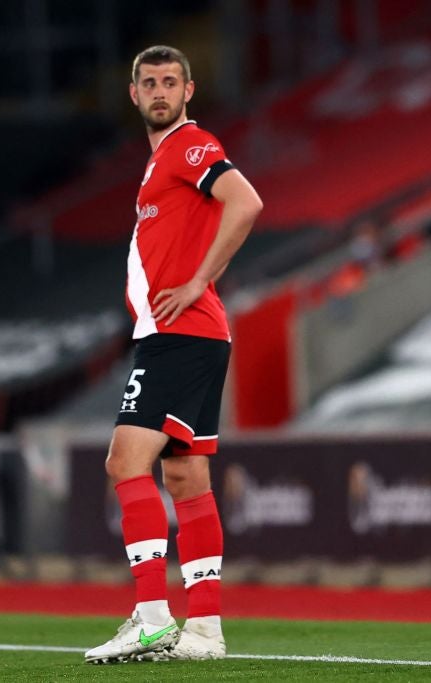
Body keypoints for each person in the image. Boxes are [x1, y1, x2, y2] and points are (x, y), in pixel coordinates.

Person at [85, 45, 263, 664]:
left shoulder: (189, 146)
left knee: (123, 463)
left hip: (180, 332)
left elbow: (246, 201)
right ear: (133, 94)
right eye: (149, 82)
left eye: (170, 82)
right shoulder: (163, 159)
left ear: (189, 90)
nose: (160, 91)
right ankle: (205, 630)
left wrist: (196, 282)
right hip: (196, 335)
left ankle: (154, 616)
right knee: (185, 477)